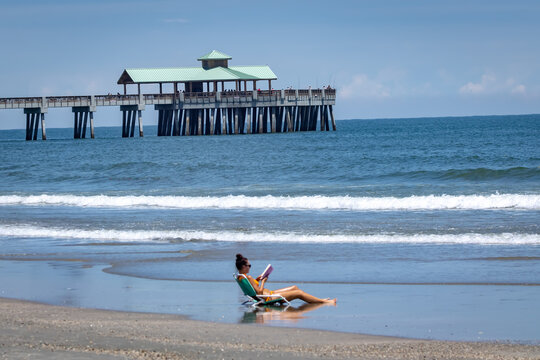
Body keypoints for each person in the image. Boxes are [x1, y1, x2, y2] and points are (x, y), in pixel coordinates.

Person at [235, 254, 336, 304]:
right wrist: (263, 282)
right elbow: (259, 292)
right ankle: (324, 301)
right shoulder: (248, 277)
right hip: (269, 297)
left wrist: (257, 280)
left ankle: (320, 300)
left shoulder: (241, 277)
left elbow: (253, 290)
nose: (249, 267)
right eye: (249, 265)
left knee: (294, 287)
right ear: (243, 267)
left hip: (269, 294)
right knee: (299, 293)